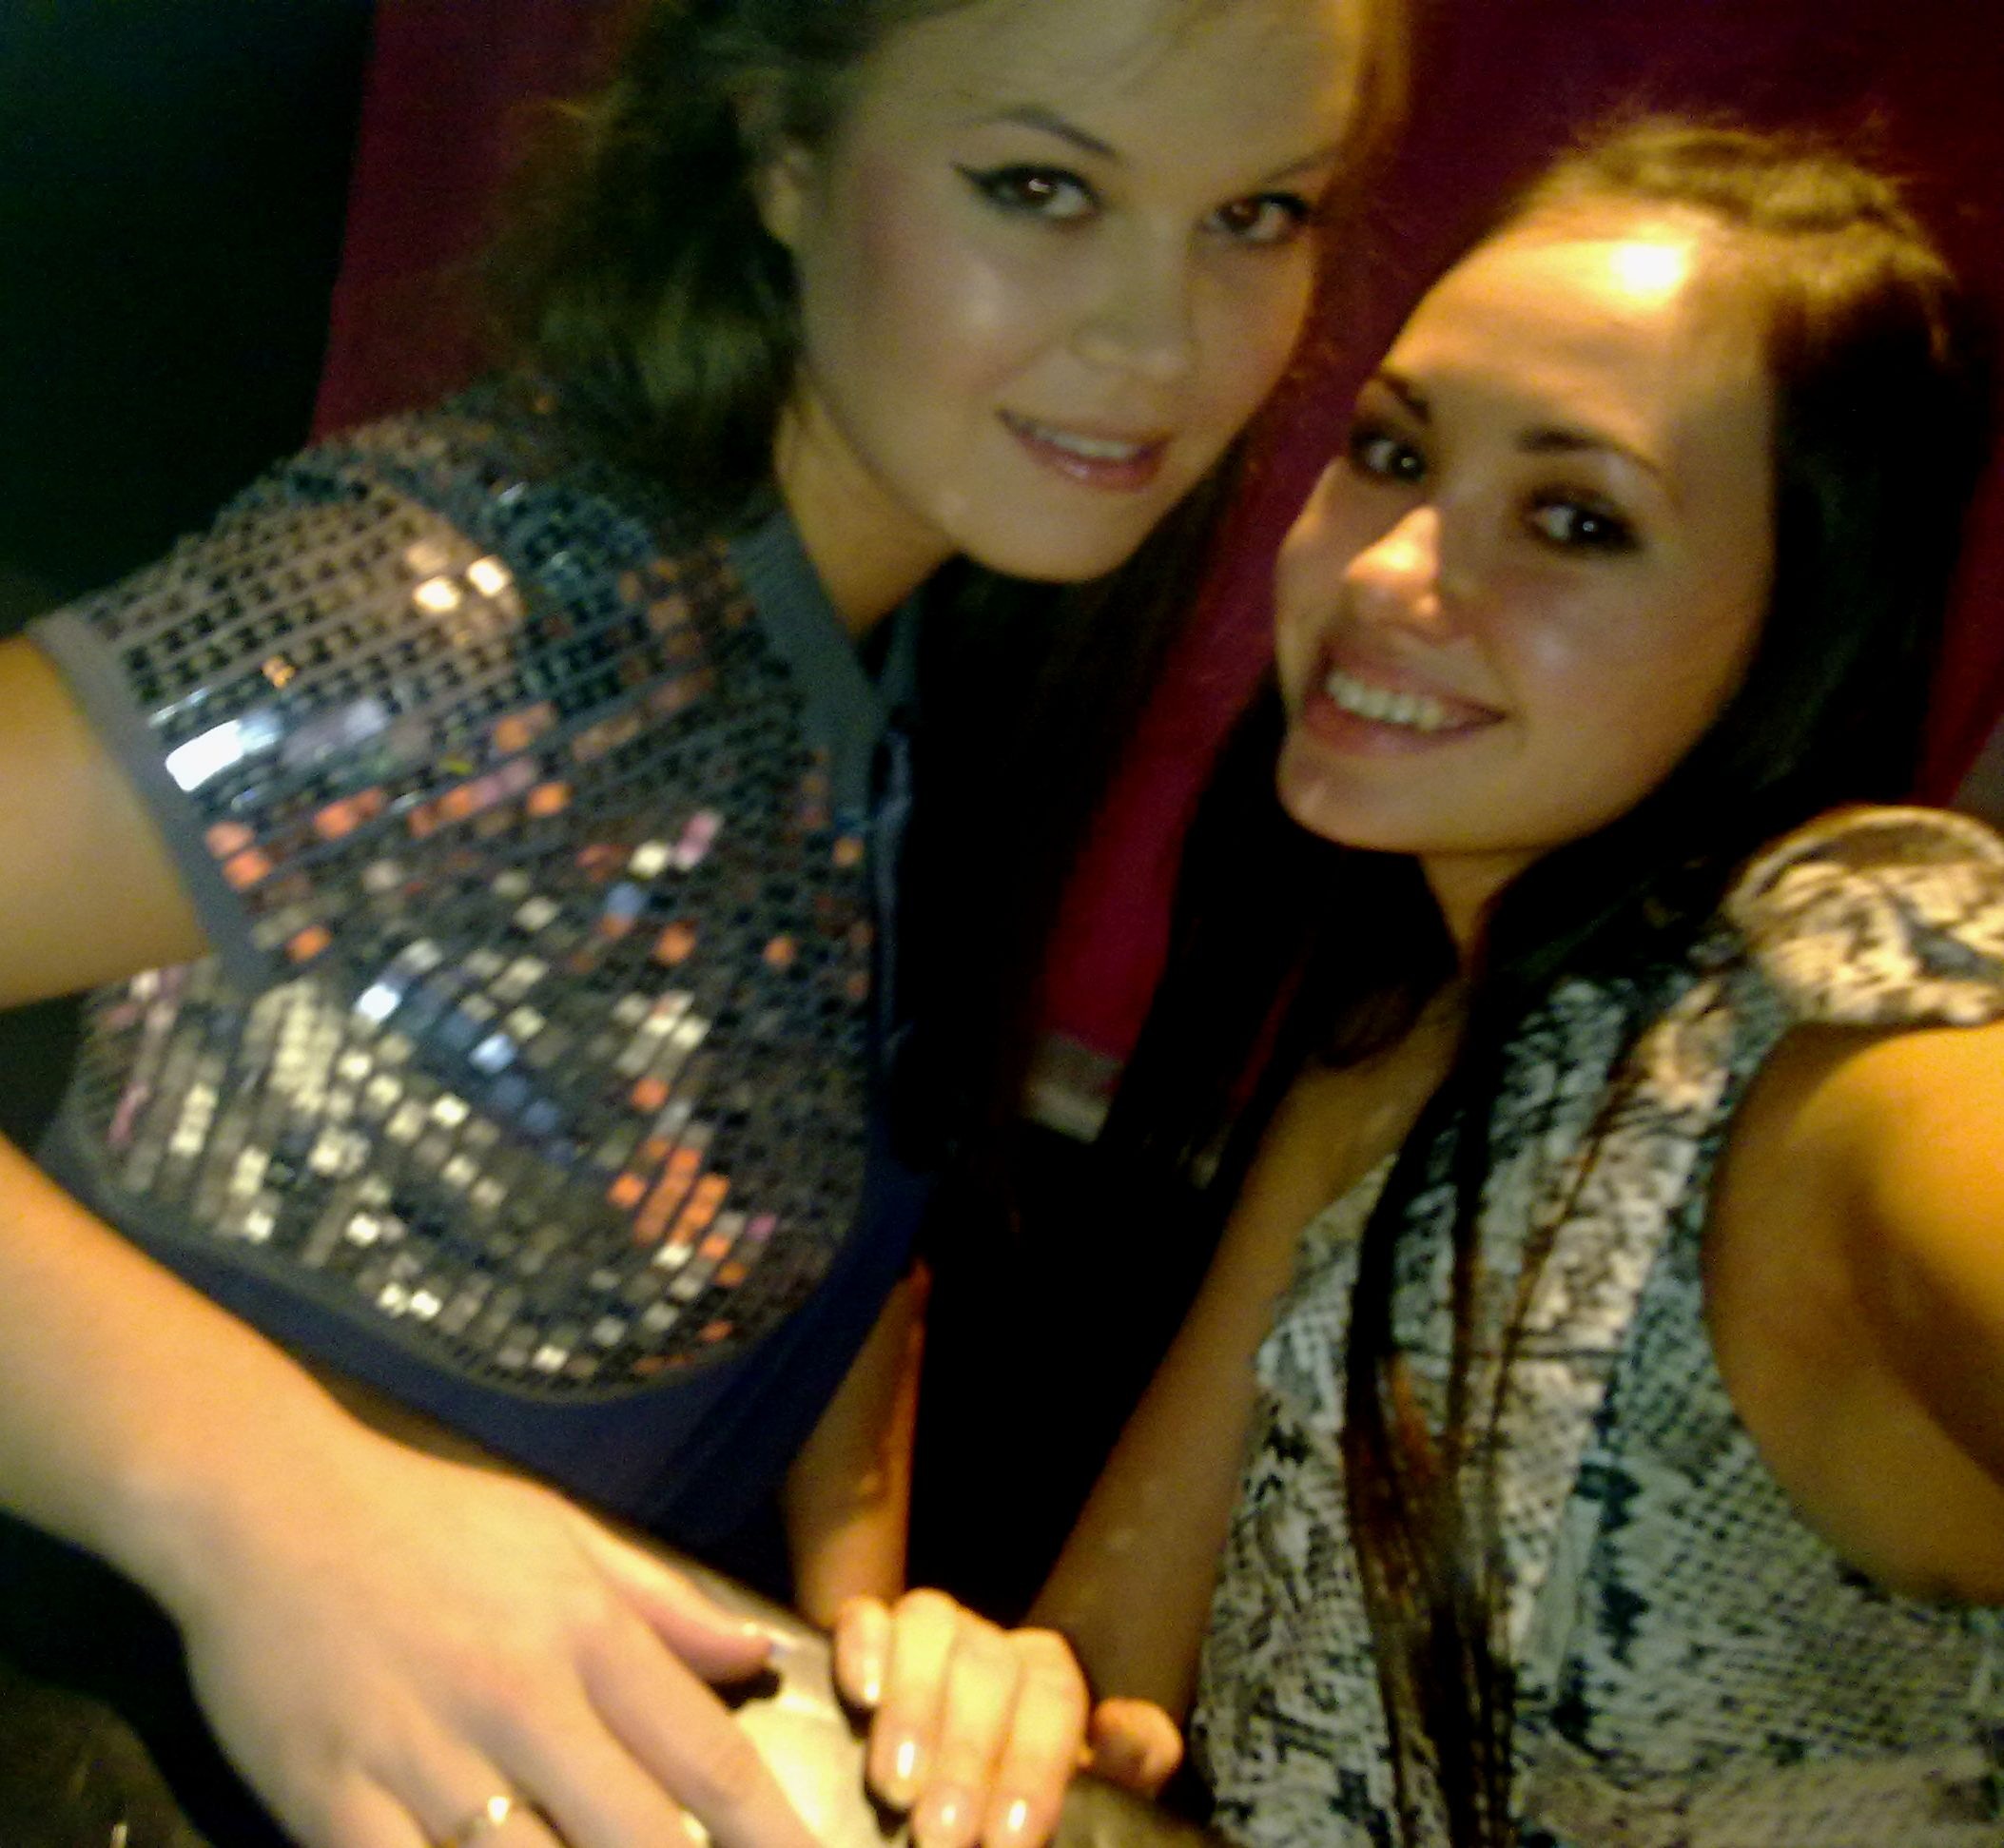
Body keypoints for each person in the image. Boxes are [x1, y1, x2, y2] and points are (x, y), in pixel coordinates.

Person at [0, 1, 1408, 1844]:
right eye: (1040, 187)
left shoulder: (916, 635)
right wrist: (258, 1491)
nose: (1164, 341)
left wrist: (880, 1662)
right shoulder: (473, 618)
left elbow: (836, 1251)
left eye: (1256, 216)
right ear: (780, 148)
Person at [841, 119, 2004, 1845]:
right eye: (1392, 454)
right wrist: (991, 1696)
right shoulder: (1402, 1046)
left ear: (1806, 615)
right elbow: (1100, 1708)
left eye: (1575, 519)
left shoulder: (1842, 1032)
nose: (1386, 573)